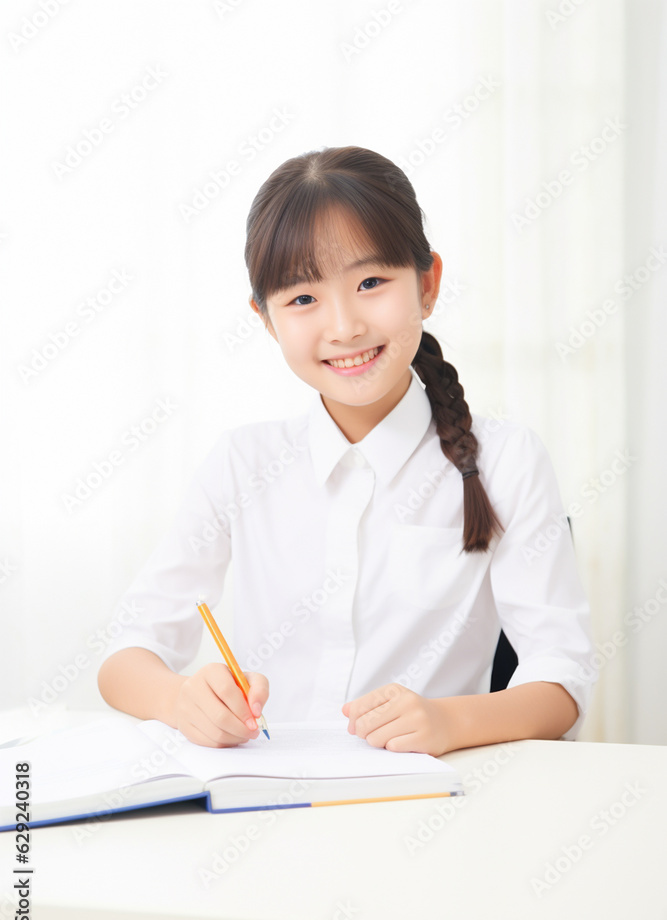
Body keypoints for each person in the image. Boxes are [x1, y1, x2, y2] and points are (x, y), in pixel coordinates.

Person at [98, 145, 596, 758]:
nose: (344, 326)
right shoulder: (242, 463)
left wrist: (449, 722)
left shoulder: (506, 460)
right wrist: (182, 702)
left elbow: (562, 677)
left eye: (371, 283)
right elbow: (126, 655)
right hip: (263, 799)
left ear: (428, 283)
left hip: (423, 806)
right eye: (303, 299)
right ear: (266, 319)